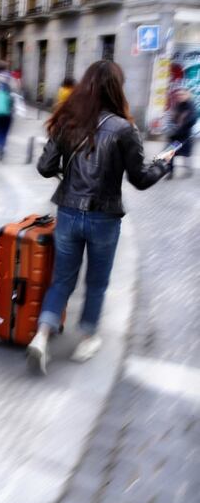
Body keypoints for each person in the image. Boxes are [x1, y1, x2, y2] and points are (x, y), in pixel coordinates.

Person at [27, 60, 173, 374]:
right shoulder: (124, 129)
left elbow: (44, 167)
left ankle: (41, 335)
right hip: (104, 218)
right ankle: (87, 338)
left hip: (67, 212)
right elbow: (140, 179)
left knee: (62, 278)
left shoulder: (68, 120)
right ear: (116, 88)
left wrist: (66, 172)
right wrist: (162, 163)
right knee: (96, 282)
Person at [166, 88, 197, 178]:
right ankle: (170, 172)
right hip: (176, 135)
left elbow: (192, 119)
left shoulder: (191, 106)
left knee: (185, 155)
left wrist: (183, 123)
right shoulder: (178, 105)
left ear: (187, 95)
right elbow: (173, 118)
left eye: (182, 95)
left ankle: (188, 168)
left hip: (185, 136)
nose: (180, 96)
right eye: (178, 95)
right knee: (170, 152)